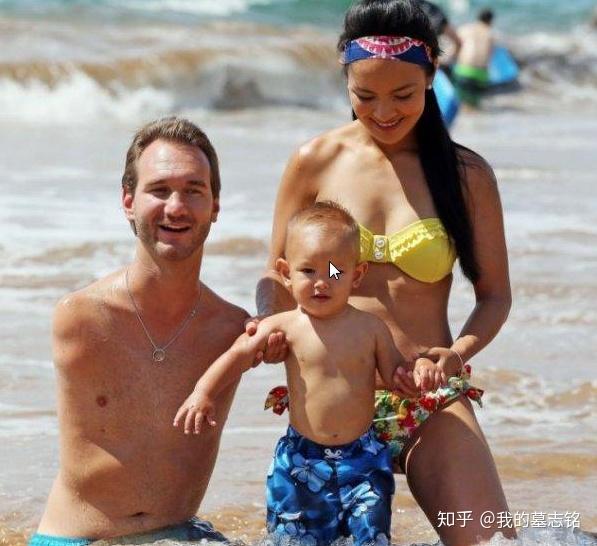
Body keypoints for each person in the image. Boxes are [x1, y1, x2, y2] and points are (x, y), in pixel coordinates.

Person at [247, 1, 514, 544]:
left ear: (432, 73)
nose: (384, 112)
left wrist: (456, 354)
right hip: (329, 401)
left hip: (426, 398)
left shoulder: (467, 175)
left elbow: (495, 296)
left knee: (489, 539)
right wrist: (269, 323)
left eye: (403, 95)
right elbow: (277, 275)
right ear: (345, 80)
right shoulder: (315, 161)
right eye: (365, 96)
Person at [29, 117, 281, 546]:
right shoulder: (82, 317)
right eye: (159, 190)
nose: (176, 207)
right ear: (128, 201)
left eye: (193, 190)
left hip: (181, 535)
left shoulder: (231, 330)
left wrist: (273, 316)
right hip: (79, 539)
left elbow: (333, 270)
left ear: (215, 206)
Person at [175, 202, 403, 546]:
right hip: (301, 459)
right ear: (285, 272)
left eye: (335, 272)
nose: (321, 282)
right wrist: (203, 392)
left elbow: (396, 375)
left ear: (356, 275)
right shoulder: (284, 326)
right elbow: (238, 354)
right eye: (308, 270)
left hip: (364, 458)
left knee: (371, 537)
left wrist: (417, 377)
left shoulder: (371, 329)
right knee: (292, 540)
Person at [453, 8, 495, 107]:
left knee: (460, 102)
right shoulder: (490, 33)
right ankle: (475, 113)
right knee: (475, 103)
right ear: (490, 21)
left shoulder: (465, 29)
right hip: (480, 74)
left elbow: (456, 46)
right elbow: (489, 56)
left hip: (462, 70)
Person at [417, 0, 462, 66]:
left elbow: (458, 42)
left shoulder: (427, 8)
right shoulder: (430, 9)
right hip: (424, 64)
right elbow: (458, 41)